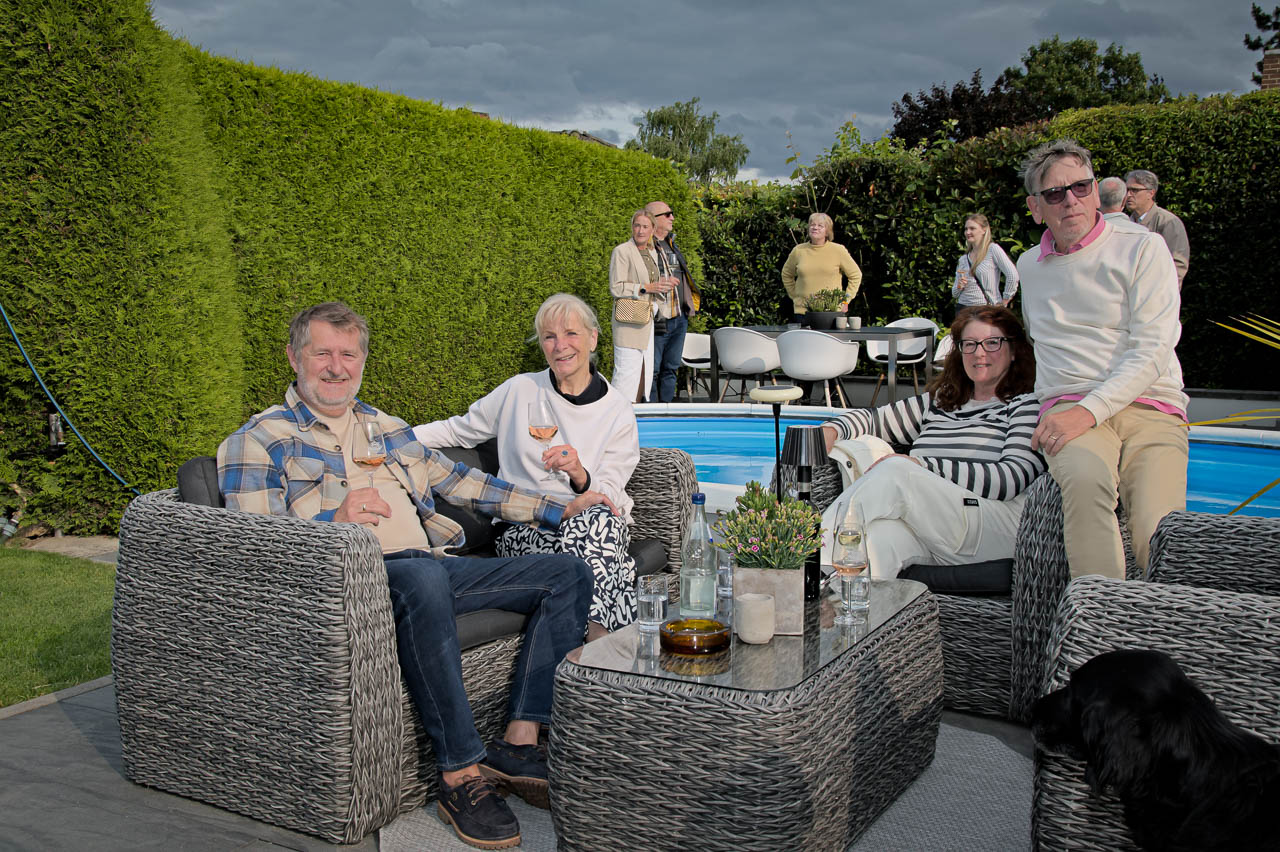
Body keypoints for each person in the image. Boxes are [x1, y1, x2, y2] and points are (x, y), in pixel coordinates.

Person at [217, 301, 601, 849]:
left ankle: (518, 741)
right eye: (322, 353)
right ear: (294, 358)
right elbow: (256, 544)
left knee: (567, 572)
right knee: (421, 576)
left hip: (431, 568)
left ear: (362, 361)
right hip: (352, 581)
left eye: (349, 354)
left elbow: (464, 483)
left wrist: (559, 508)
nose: (336, 367)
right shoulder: (259, 439)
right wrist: (332, 525)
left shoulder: (387, 429)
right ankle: (459, 776)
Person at [415, 293, 640, 639]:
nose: (560, 346)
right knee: (612, 561)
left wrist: (579, 476)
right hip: (525, 526)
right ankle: (602, 644)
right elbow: (457, 430)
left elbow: (607, 493)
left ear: (593, 338)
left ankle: (592, 645)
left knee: (596, 523)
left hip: (593, 523)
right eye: (549, 337)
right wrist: (392, 435)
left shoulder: (618, 410)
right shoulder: (519, 390)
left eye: (571, 333)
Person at [1018, 140, 1188, 581]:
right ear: (1036, 207)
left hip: (1151, 402)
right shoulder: (1029, 266)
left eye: (1081, 187)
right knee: (1086, 484)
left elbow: (1154, 348)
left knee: (1158, 526)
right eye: (1055, 193)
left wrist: (1089, 411)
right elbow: (1040, 340)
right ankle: (1101, 614)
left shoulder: (1144, 248)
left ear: (1096, 191)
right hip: (1069, 402)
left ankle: (1166, 616)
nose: (1070, 200)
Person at [819, 306, 1046, 578]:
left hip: (988, 530)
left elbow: (1010, 479)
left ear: (1013, 351)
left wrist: (923, 466)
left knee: (897, 472)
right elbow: (874, 419)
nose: (979, 353)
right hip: (933, 533)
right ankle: (827, 598)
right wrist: (833, 429)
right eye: (970, 344)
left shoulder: (1025, 405)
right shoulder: (942, 402)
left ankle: (805, 557)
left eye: (992, 343)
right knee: (874, 541)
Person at [609, 210, 673, 402]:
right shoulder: (622, 251)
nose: (640, 230)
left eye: (645, 227)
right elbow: (616, 287)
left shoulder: (651, 252)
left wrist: (663, 285)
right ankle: (617, 412)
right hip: (628, 321)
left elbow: (651, 285)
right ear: (632, 227)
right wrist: (646, 287)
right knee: (625, 372)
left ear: (652, 229)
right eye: (637, 225)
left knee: (643, 373)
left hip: (646, 320)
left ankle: (635, 413)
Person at [644, 200, 700, 402]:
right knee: (653, 369)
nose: (672, 218)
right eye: (668, 214)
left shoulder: (671, 245)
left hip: (679, 316)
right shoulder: (645, 248)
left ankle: (666, 410)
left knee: (671, 368)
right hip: (659, 317)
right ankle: (651, 412)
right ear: (654, 219)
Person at [780, 211, 863, 320]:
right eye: (812, 225)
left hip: (832, 312)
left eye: (820, 226)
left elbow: (856, 275)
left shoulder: (838, 250)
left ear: (827, 231)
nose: (815, 228)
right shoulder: (798, 250)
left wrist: (845, 300)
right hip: (803, 313)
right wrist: (795, 296)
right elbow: (786, 274)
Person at [1124, 168, 1190, 288]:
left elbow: (1178, 265)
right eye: (1127, 190)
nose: (1128, 195)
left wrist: (1161, 293)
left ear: (1151, 193)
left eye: (1135, 190)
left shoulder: (1168, 222)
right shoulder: (1126, 223)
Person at [952, 213, 1019, 317]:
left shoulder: (992, 250)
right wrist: (960, 285)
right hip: (963, 310)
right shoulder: (963, 259)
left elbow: (1013, 275)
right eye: (966, 229)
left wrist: (1005, 301)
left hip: (985, 310)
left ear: (984, 230)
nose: (968, 232)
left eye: (972, 228)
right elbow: (954, 294)